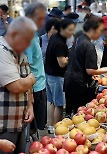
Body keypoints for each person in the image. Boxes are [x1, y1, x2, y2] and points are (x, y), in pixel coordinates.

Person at [64, 16, 107, 115]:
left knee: (70, 113)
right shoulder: (89, 46)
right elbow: (90, 70)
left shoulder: (79, 38)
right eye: (99, 30)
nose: (100, 33)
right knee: (80, 114)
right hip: (79, 85)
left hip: (70, 81)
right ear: (93, 29)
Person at [0, 16, 36, 153]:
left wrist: (30, 105)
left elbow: (25, 82)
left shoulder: (20, 53)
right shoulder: (2, 52)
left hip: (19, 121)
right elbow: (16, 86)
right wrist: (32, 79)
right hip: (4, 125)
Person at [45, 19, 75, 132]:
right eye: (69, 30)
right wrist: (70, 56)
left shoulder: (54, 37)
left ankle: (50, 125)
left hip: (48, 75)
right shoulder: (60, 43)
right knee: (59, 104)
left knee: (52, 102)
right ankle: (58, 128)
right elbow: (62, 63)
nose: (71, 32)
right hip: (56, 77)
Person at [25, 3, 47, 138]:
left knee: (38, 124)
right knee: (35, 125)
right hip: (35, 87)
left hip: (39, 84)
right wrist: (30, 94)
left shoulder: (33, 36)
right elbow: (26, 65)